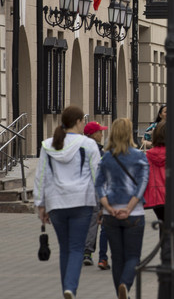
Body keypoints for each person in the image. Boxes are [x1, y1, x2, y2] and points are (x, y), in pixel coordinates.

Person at [33, 105, 101, 299]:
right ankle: (70, 288)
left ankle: (67, 288)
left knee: (65, 248)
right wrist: (103, 203)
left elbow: (41, 176)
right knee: (77, 248)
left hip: (56, 203)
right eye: (83, 122)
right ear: (79, 122)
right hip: (82, 202)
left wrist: (40, 204)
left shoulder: (49, 144)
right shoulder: (88, 145)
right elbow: (97, 175)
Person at [94, 118, 149, 299]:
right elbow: (142, 184)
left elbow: (99, 185)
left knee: (117, 257)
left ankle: (120, 292)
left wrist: (108, 207)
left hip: (111, 215)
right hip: (134, 214)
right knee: (133, 256)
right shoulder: (139, 156)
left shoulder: (106, 157)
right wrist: (129, 207)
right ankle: (125, 284)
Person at [144, 120, 174, 234]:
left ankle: (164, 249)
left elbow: (145, 176)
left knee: (162, 226)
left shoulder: (149, 154)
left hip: (157, 197)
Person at [82, 121, 110, 270]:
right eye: (99, 131)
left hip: (80, 191)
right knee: (97, 221)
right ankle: (90, 253)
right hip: (95, 190)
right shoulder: (98, 151)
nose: (102, 134)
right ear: (93, 134)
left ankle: (84, 252)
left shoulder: (78, 148)